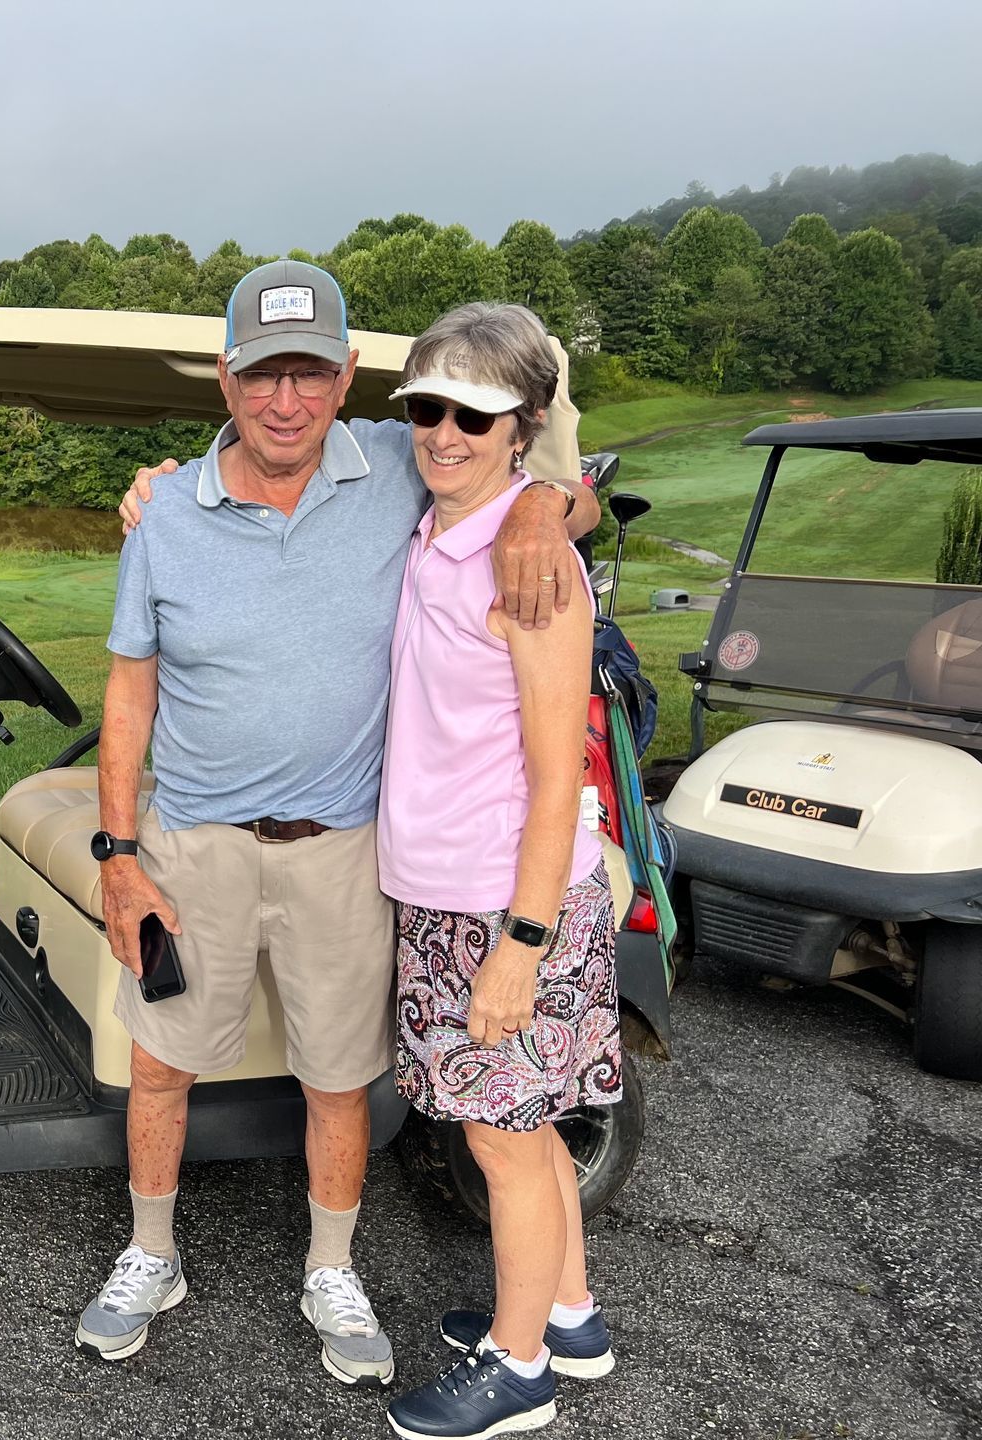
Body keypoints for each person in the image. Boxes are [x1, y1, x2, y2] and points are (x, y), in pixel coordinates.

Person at [78, 261, 598, 1386]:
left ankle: (330, 1266)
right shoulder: (163, 511)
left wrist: (555, 505)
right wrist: (119, 859)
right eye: (261, 373)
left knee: (334, 1077)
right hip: (194, 844)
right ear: (225, 376)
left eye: (310, 373)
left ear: (345, 375)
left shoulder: (400, 470)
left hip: (345, 848)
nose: (285, 401)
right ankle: (151, 1252)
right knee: (162, 1062)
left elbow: (535, 475)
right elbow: (130, 692)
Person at [375, 304, 621, 1440]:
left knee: (502, 1139)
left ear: (520, 426)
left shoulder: (535, 567)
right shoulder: (444, 529)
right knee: (529, 1122)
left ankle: (518, 1373)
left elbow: (552, 773)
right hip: (447, 886)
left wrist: (520, 949)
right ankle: (567, 1313)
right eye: (425, 406)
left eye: (472, 414)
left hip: (503, 900)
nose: (442, 432)